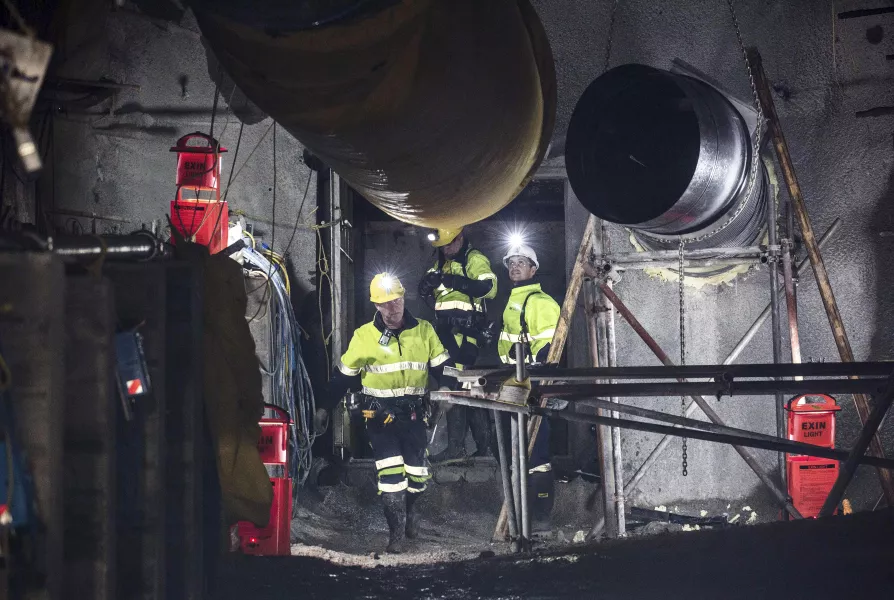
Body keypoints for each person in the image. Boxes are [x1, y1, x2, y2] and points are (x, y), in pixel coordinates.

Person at [329, 273, 455, 553]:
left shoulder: (424, 331)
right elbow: (343, 377)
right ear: (376, 305)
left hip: (413, 417)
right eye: (384, 303)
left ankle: (411, 513)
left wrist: (447, 388)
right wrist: (323, 406)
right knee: (391, 478)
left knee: (418, 475)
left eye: (395, 300)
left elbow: (444, 367)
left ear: (404, 297)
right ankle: (395, 535)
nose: (392, 307)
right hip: (380, 419)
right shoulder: (364, 336)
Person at [418, 227, 497, 463]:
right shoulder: (441, 262)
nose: (445, 249)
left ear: (460, 238)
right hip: (444, 335)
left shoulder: (474, 259)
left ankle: (460, 449)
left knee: (457, 387)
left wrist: (455, 281)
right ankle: (481, 448)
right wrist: (425, 286)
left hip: (466, 335)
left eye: (449, 244)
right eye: (441, 246)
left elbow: (488, 288)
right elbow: (426, 290)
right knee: (463, 389)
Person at [498, 242, 560, 530]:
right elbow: (506, 345)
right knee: (516, 449)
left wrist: (524, 357)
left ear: (534, 269)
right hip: (515, 382)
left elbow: (550, 351)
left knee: (536, 452)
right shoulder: (513, 303)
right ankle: (523, 516)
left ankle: (541, 518)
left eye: (521, 262)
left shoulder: (541, 303)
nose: (514, 266)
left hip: (534, 383)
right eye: (511, 263)